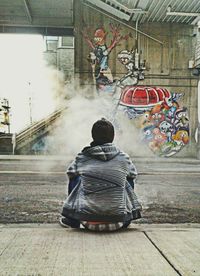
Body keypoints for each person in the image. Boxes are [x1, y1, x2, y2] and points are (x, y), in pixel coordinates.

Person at [60, 118, 141, 231]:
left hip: (87, 220)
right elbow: (133, 174)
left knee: (76, 178)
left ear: (93, 136)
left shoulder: (83, 157)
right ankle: (127, 213)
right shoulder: (123, 157)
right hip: (119, 221)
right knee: (127, 179)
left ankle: (73, 220)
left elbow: (70, 173)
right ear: (113, 137)